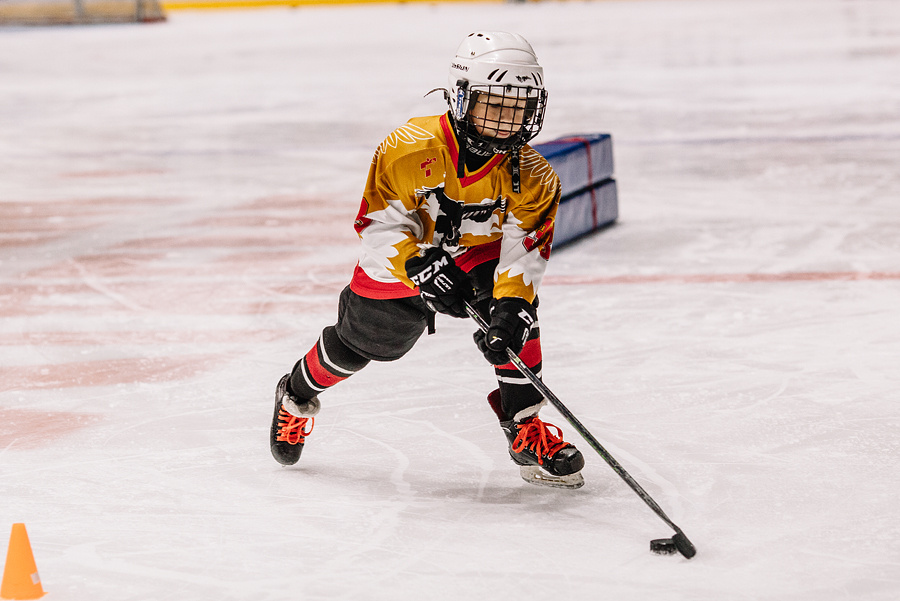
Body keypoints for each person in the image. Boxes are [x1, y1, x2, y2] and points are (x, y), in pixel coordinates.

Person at [269, 31, 585, 489]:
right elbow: (378, 225)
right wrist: (420, 266)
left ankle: (523, 426)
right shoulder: (408, 146)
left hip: (476, 255)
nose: (507, 121)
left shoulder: (535, 175)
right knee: (358, 348)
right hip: (401, 263)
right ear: (461, 97)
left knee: (515, 318)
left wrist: (514, 303)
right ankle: (295, 394)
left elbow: (523, 250)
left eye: (518, 108)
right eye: (494, 105)